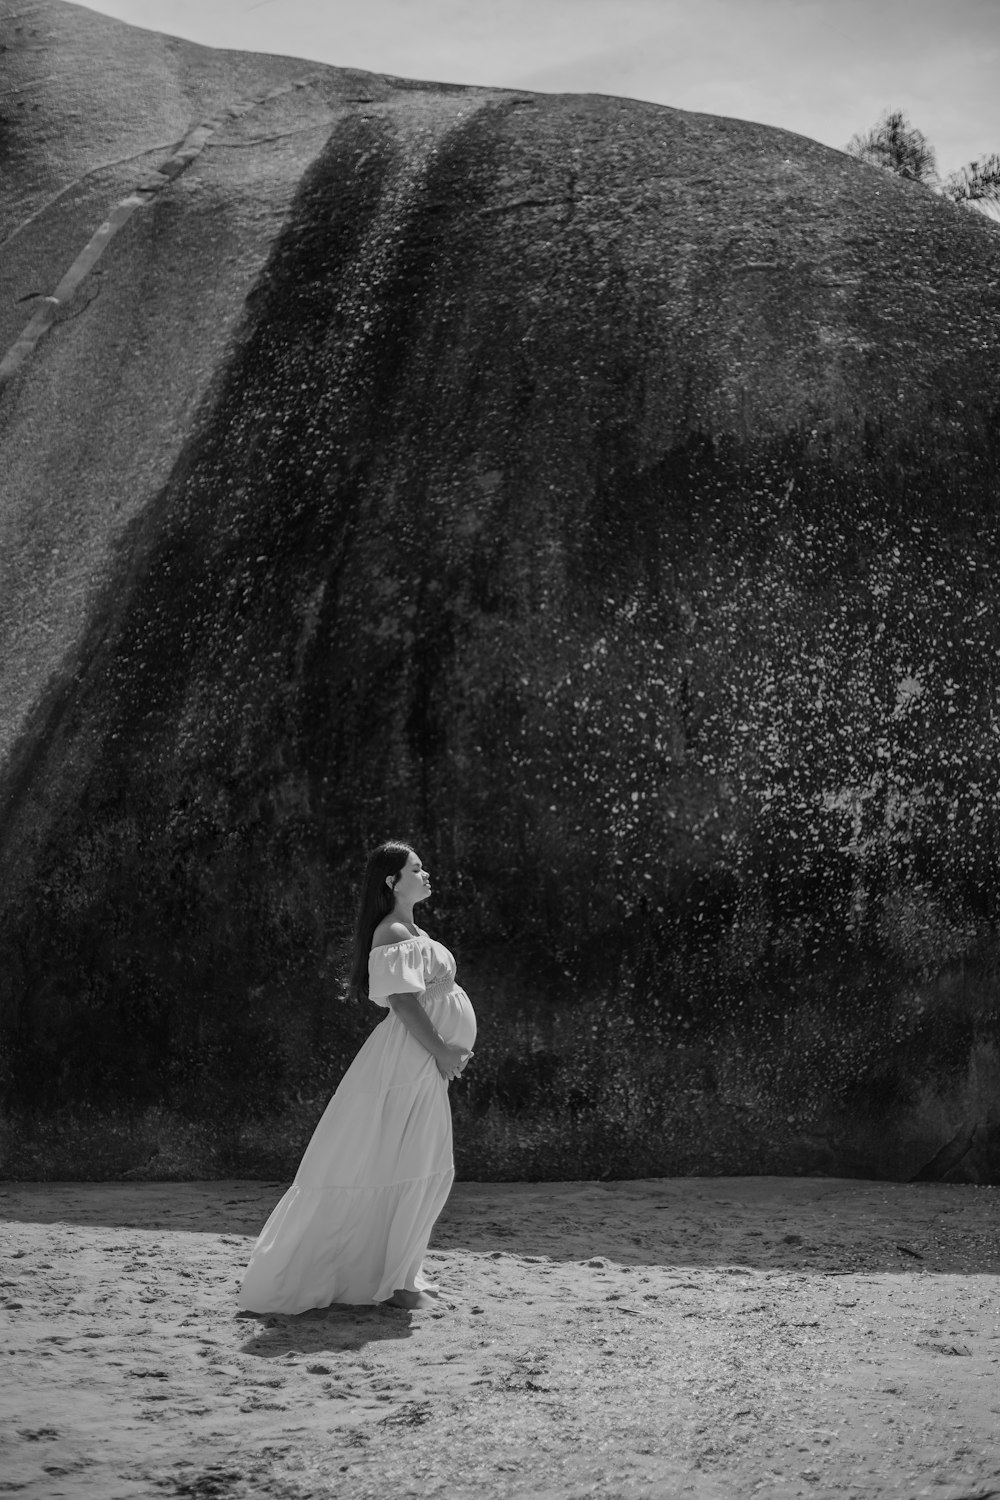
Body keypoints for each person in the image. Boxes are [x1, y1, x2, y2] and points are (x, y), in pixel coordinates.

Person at [238, 841, 476, 1313]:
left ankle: (401, 1273)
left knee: (419, 1160)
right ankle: (397, 1284)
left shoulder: (409, 927)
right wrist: (443, 1051)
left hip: (418, 1062)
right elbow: (404, 1002)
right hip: (410, 1061)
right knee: (412, 1161)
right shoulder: (390, 932)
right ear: (391, 881)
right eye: (416, 869)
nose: (426, 874)